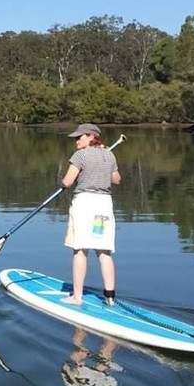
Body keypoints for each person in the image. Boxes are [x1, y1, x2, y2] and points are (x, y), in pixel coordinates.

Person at [58, 123, 121, 306]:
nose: (76, 140)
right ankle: (110, 297)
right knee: (104, 252)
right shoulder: (109, 154)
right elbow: (116, 180)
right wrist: (104, 165)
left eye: (80, 137)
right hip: (103, 206)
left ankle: (77, 297)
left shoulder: (80, 155)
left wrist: (62, 183)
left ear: (91, 137)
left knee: (80, 250)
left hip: (84, 205)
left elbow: (68, 181)